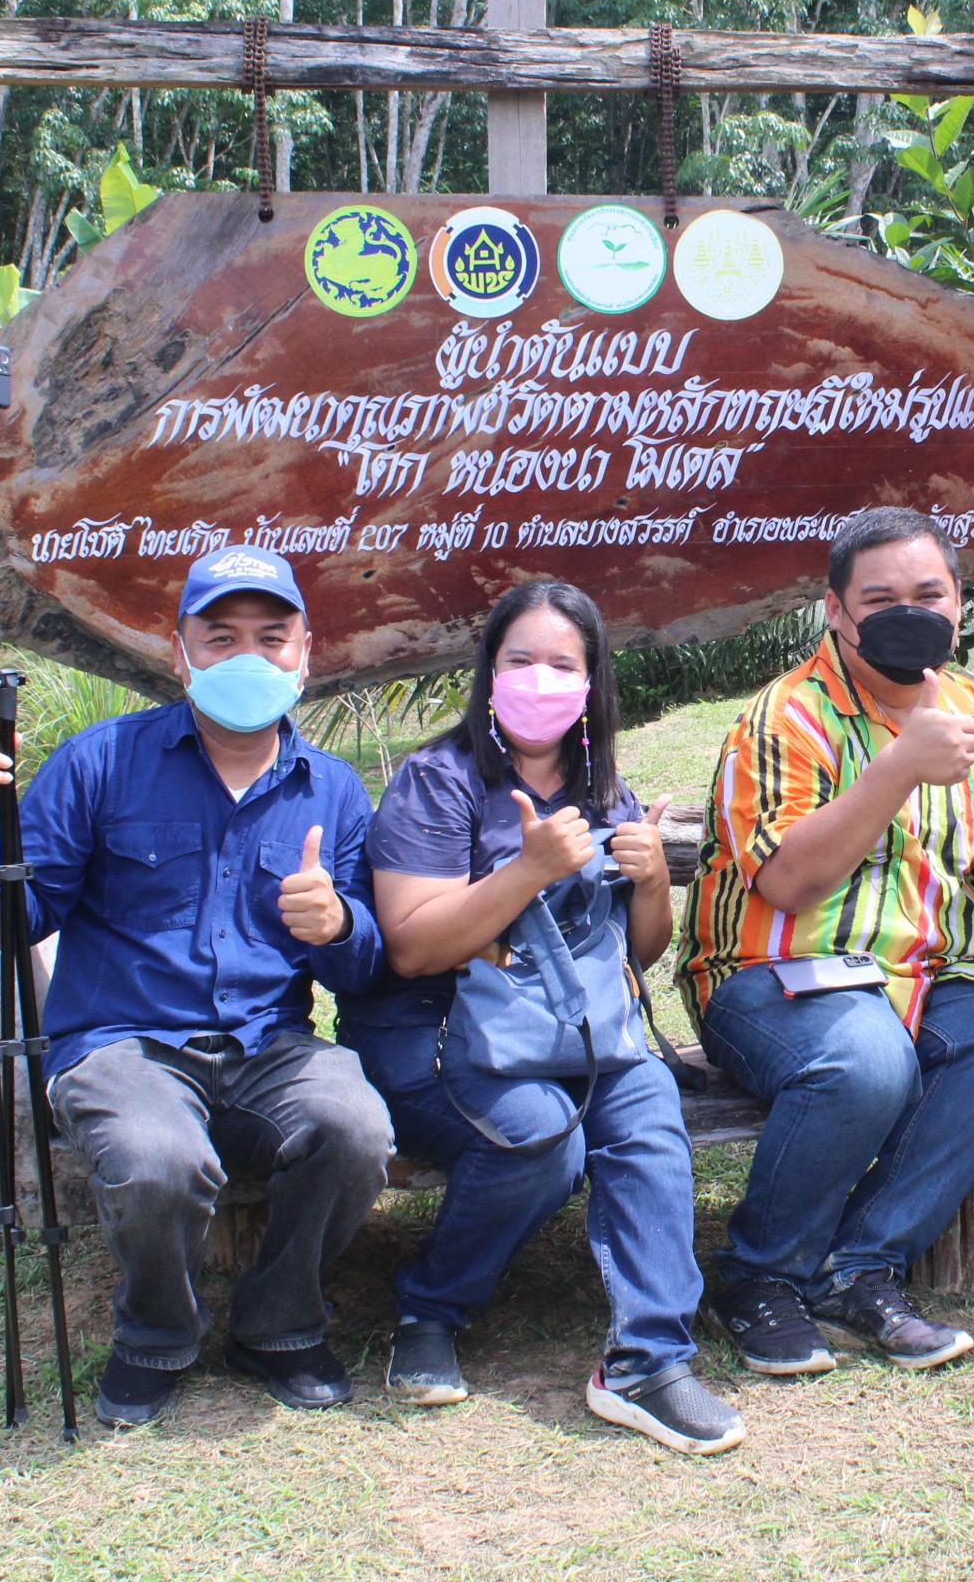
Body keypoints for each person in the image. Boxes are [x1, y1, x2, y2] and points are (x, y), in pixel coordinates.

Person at [0, 546, 394, 1428]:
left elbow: (364, 966)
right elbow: (13, 921)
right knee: (156, 1158)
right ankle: (156, 1336)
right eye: (219, 639)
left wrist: (337, 927)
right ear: (178, 652)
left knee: (355, 1125)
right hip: (122, 1044)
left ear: (309, 651)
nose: (247, 658)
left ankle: (279, 1324)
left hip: (270, 1049)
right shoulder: (98, 763)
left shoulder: (333, 790)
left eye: (272, 637)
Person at [337, 580, 744, 1455]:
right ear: (488, 673)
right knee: (541, 1137)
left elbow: (635, 955)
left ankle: (649, 1359)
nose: (540, 678)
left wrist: (642, 880)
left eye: (564, 664)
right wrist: (523, 871)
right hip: (434, 1037)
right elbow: (410, 950)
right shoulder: (435, 783)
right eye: (520, 660)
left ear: (593, 682)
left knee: (647, 1119)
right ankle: (430, 1309)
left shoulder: (606, 788)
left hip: (578, 1032)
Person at [679, 506, 974, 1377]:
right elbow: (786, 883)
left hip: (923, 973)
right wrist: (896, 768)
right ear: (836, 611)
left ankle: (861, 1267)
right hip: (767, 981)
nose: (909, 612)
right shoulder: (784, 717)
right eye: (880, 597)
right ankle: (759, 1275)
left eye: (930, 593)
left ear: (960, 603)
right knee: (868, 1060)